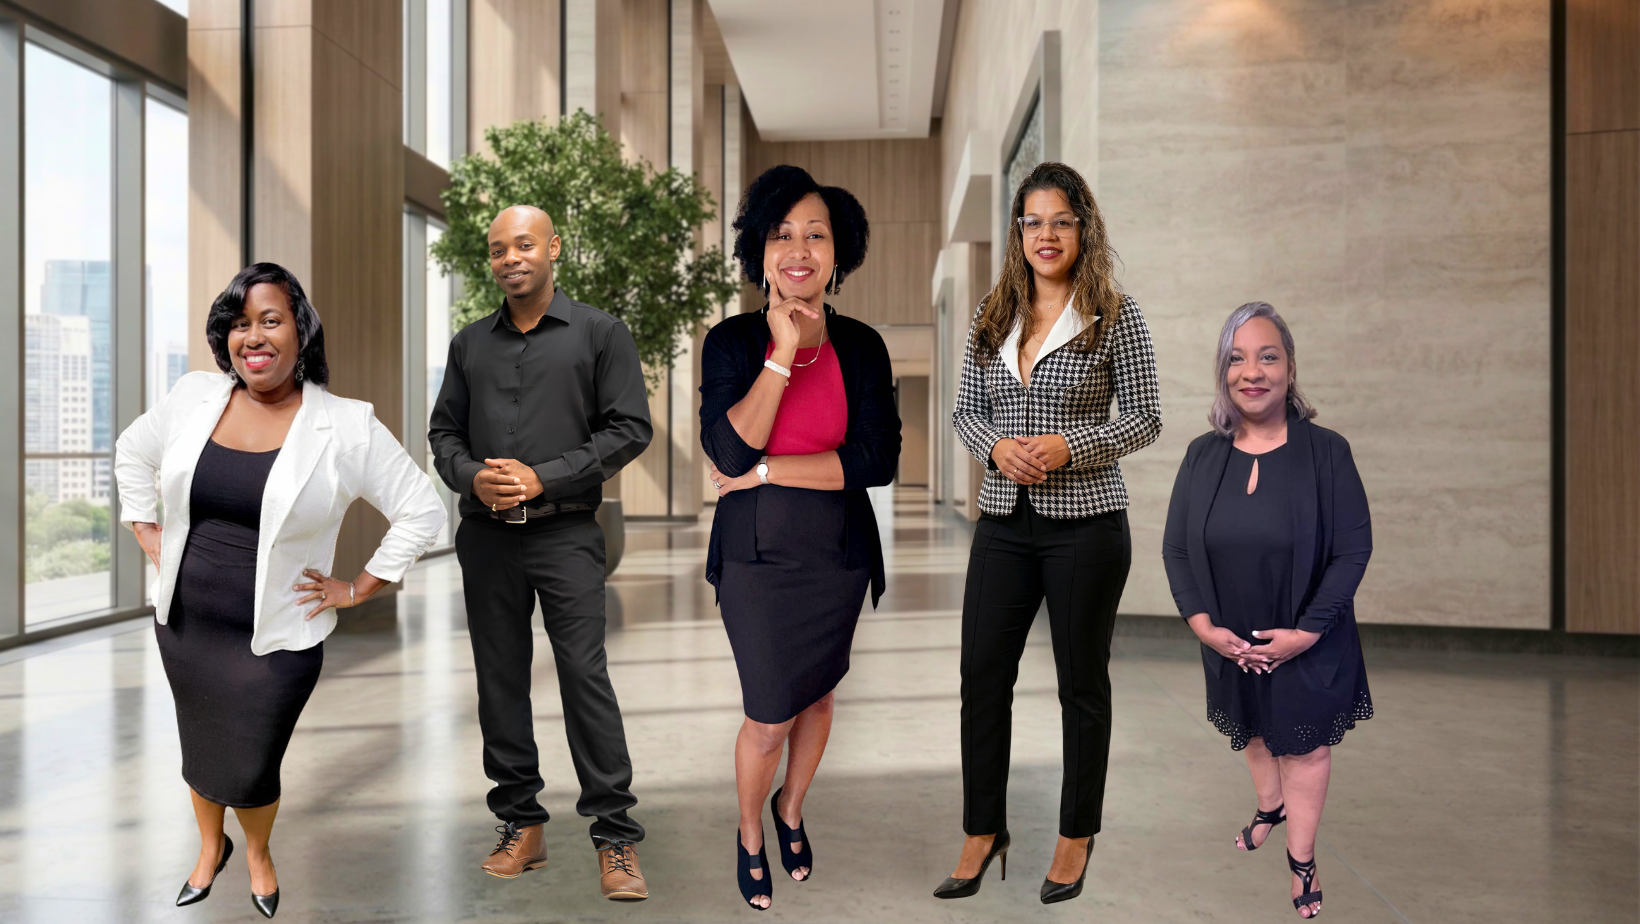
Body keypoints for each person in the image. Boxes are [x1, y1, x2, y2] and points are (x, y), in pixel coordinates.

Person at [114, 263, 446, 919]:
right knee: (200, 748)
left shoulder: (345, 425)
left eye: (270, 319)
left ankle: (257, 852)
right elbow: (133, 449)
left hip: (278, 637)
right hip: (185, 622)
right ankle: (210, 850)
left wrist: (358, 587)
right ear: (225, 337)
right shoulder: (194, 396)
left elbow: (422, 509)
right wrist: (144, 527)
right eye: (239, 324)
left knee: (251, 764)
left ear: (299, 330)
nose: (253, 336)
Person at [942, 162, 1162, 905]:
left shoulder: (1114, 314)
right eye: (1032, 222)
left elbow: (1144, 415)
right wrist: (996, 448)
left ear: (1082, 228)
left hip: (1087, 528)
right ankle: (983, 828)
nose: (1045, 235)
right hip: (1004, 522)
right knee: (981, 680)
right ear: (1017, 232)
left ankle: (1076, 834)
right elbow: (966, 411)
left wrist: (1071, 444)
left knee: (1081, 686)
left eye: (1059, 221)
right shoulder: (993, 312)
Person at [428, 205, 653, 901]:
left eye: (523, 244)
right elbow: (444, 435)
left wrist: (542, 476)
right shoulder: (469, 345)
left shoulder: (599, 333)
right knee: (499, 679)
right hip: (487, 537)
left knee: (585, 677)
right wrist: (473, 478)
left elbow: (630, 428)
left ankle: (615, 838)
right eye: (498, 249)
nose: (509, 258)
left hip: (565, 532)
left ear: (553, 247)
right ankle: (521, 824)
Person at [700, 164, 899, 911]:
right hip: (756, 560)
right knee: (769, 711)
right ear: (759, 253)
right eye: (783, 233)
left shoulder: (866, 346)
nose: (800, 248)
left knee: (817, 700)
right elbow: (726, 454)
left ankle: (792, 807)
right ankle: (751, 831)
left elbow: (876, 462)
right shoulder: (730, 343)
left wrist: (769, 474)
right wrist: (781, 352)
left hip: (838, 556)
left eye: (817, 234)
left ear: (837, 255)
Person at [1162, 301, 1373, 919]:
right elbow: (1176, 545)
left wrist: (1305, 634)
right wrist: (1203, 626)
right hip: (1230, 639)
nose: (1251, 371)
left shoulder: (1327, 452)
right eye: (1236, 358)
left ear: (1290, 368)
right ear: (1222, 372)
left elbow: (1353, 549)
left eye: (1267, 356)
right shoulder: (1204, 454)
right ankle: (1269, 807)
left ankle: (1301, 860)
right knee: (1253, 727)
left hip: (1307, 636)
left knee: (1302, 747)